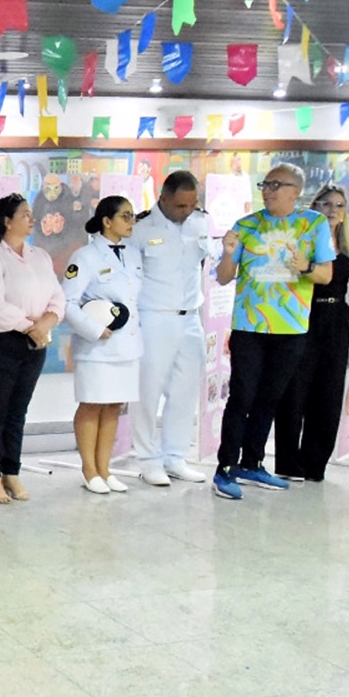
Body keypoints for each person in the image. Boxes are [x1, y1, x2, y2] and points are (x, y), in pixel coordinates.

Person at [211, 163, 336, 500]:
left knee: (270, 398)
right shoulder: (247, 225)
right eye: (265, 184)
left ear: (296, 192)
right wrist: (226, 253)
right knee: (242, 397)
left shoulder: (313, 224)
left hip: (291, 327)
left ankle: (251, 463)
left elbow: (325, 275)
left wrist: (305, 267)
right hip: (249, 326)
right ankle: (224, 468)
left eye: (276, 185)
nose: (267, 190)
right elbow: (223, 277)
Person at [0, 193, 63, 504]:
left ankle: (12, 471)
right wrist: (30, 327)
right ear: (7, 221)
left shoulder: (40, 256)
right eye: (24, 214)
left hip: (34, 342)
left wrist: (46, 323)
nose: (31, 218)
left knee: (17, 412)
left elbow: (58, 297)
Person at [273, 183, 349, 482]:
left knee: (328, 395)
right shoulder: (302, 241)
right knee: (294, 393)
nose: (333, 210)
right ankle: (288, 463)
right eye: (326, 204)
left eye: (339, 205)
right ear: (315, 206)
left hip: (337, 320)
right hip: (303, 318)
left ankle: (315, 464)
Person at [129, 171, 216, 486]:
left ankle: (175, 456)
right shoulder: (139, 229)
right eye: (181, 205)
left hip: (190, 315)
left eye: (192, 204)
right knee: (148, 390)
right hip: (154, 316)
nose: (187, 211)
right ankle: (148, 459)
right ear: (162, 198)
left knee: (184, 389)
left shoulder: (200, 223)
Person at [64, 197, 145, 493]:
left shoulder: (134, 254)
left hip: (127, 345)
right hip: (96, 347)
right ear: (106, 221)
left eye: (132, 215)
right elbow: (68, 302)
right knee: (92, 404)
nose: (131, 221)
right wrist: (94, 329)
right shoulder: (84, 257)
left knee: (113, 406)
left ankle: (105, 469)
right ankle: (89, 471)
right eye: (125, 216)